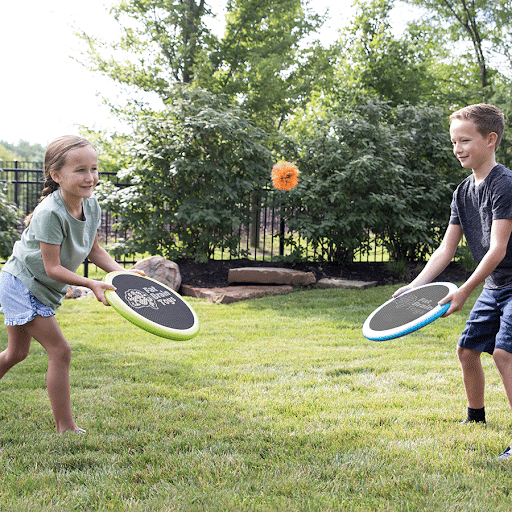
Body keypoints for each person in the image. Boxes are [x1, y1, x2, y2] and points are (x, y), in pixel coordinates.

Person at [393, 103, 512, 459]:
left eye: (465, 140)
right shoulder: (463, 191)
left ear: (490, 140)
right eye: (453, 141)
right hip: (496, 285)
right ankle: (476, 418)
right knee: (467, 350)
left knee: (505, 354)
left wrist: (463, 291)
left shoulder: (504, 184)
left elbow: (498, 249)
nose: (457, 148)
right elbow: (446, 248)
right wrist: (415, 285)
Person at [0, 135, 129, 434]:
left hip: (36, 284)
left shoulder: (90, 204)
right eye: (80, 170)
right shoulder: (49, 213)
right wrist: (91, 283)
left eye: (94, 169)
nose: (91, 177)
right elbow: (53, 267)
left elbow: (94, 250)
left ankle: (64, 425)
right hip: (22, 284)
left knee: (16, 354)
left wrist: (123, 274)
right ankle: (65, 427)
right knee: (61, 351)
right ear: (56, 175)